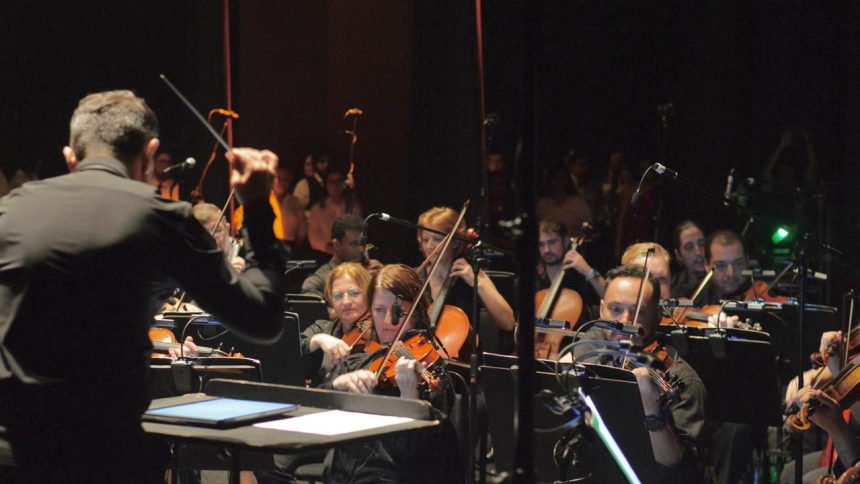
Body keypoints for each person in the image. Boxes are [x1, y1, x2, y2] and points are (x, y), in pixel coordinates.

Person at [0, 90, 287, 483]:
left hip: (15, 459)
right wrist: (255, 205)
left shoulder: (10, 211)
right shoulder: (161, 218)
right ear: (151, 154)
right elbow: (261, 317)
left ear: (70, 156)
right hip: (109, 459)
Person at [324, 264, 463, 483]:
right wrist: (337, 387)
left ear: (417, 315)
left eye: (400, 313)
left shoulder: (432, 376)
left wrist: (410, 399)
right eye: (380, 311)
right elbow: (318, 421)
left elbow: (421, 460)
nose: (388, 322)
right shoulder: (354, 364)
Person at [574, 265, 706, 482]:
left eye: (638, 312)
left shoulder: (681, 378)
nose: (625, 321)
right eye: (616, 309)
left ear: (657, 316)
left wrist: (649, 404)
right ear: (601, 311)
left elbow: (674, 467)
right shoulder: (594, 345)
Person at [416, 206, 515, 332]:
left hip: (460, 351)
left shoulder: (472, 274)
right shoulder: (414, 278)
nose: (429, 246)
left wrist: (478, 283)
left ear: (455, 242)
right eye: (425, 240)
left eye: (437, 239)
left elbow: (508, 323)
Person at [301, 213, 381, 298]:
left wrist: (383, 277)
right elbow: (307, 298)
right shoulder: (322, 278)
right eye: (354, 244)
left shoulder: (371, 271)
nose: (361, 249)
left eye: (363, 243)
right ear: (337, 245)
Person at [536, 218, 604, 306]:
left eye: (552, 242)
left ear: (566, 241)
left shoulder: (580, 272)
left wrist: (588, 271)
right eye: (541, 244)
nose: (546, 250)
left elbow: (609, 297)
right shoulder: (533, 278)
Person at [307, 167, 362, 254]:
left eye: (338, 181)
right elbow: (314, 237)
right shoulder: (317, 209)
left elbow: (358, 232)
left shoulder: (353, 206)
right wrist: (331, 249)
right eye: (331, 182)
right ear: (326, 184)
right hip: (326, 256)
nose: (335, 185)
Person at [536, 165, 593, 237]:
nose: (559, 183)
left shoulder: (578, 204)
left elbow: (589, 226)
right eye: (556, 179)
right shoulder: (542, 205)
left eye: (562, 179)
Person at [192, 202, 246, 272]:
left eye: (218, 230)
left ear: (227, 228)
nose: (212, 238)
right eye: (205, 233)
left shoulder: (244, 253)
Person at [701, 229, 751, 305]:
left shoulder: (760, 295)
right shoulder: (694, 298)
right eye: (721, 265)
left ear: (747, 261)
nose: (731, 274)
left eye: (738, 263)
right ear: (707, 265)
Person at [671, 220, 707, 299]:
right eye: (689, 247)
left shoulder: (722, 282)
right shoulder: (672, 289)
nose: (698, 252)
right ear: (678, 255)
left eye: (702, 244)